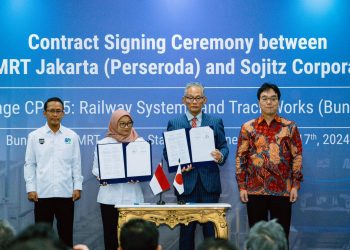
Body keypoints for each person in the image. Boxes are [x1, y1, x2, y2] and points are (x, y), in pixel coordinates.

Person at [163, 82, 229, 250]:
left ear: (204, 100)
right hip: (186, 185)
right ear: (183, 100)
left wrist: (220, 155)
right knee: (186, 233)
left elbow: (224, 146)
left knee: (210, 234)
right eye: (190, 98)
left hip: (209, 185)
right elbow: (167, 152)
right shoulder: (174, 122)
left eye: (198, 98)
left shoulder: (215, 121)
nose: (194, 101)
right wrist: (178, 165)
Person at [235, 83, 303, 244]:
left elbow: (297, 157)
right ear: (259, 101)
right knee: (257, 239)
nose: (269, 102)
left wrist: (295, 185)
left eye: (273, 98)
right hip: (254, 189)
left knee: (280, 238)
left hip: (282, 190)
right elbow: (240, 158)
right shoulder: (248, 127)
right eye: (265, 99)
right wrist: (242, 186)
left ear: (279, 101)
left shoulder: (289, 127)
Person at [24, 97, 83, 247]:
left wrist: (77, 186)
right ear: (45, 113)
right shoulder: (34, 136)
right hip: (42, 194)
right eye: (51, 111)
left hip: (66, 193)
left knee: (66, 236)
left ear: (63, 113)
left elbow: (76, 163)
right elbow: (29, 164)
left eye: (58, 111)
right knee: (41, 238)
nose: (55, 114)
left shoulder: (72, 136)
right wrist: (31, 188)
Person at [92, 109, 144, 250]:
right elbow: (95, 168)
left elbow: (145, 167)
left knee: (134, 237)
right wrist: (101, 175)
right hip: (109, 198)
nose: (127, 127)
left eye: (129, 123)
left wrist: (138, 175)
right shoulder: (103, 143)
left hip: (133, 197)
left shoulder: (139, 142)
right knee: (110, 235)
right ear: (114, 124)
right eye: (122, 124)